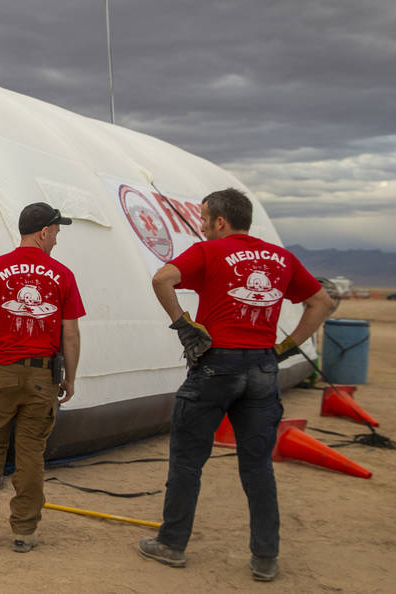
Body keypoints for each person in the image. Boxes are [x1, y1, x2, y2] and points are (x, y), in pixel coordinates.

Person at [137, 188, 333, 582]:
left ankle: (172, 544)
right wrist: (288, 346)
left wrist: (184, 325)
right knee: (258, 465)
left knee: (189, 459)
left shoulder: (208, 252)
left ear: (221, 222)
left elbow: (162, 279)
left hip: (216, 365)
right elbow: (322, 303)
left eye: (206, 219)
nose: (203, 226)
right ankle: (265, 558)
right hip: (263, 365)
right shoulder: (281, 258)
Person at [0, 202, 85, 553]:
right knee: (30, 454)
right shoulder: (63, 274)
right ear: (43, 231)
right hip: (42, 377)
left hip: (1, 373)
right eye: (56, 231)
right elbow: (70, 335)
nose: (57, 238)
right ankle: (25, 531)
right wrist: (70, 379)